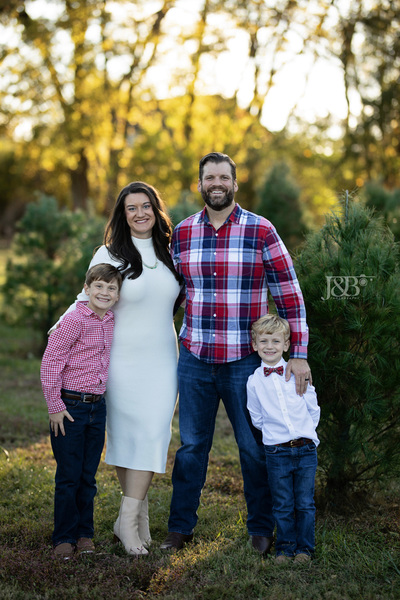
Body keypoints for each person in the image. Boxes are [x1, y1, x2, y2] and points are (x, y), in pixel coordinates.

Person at [160, 151, 312, 554]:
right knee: (191, 448)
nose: (216, 184)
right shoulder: (183, 233)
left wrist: (298, 353)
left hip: (245, 361)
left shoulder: (261, 230)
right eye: (209, 177)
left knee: (253, 447)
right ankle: (180, 528)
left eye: (223, 177)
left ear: (234, 183)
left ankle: (261, 528)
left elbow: (289, 295)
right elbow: (171, 294)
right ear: (199, 184)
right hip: (194, 356)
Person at [54, 181, 182, 556]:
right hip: (119, 360)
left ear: (156, 210)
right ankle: (134, 520)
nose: (140, 213)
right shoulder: (109, 253)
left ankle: (126, 519)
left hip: (163, 359)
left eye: (146, 206)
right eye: (131, 208)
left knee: (154, 432)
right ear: (122, 215)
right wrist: (60, 330)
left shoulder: (171, 251)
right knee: (126, 437)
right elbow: (87, 297)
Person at [41, 263, 122, 560]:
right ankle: (63, 537)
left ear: (117, 295)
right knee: (68, 476)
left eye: (111, 288)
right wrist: (55, 406)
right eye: (99, 286)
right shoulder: (74, 319)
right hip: (70, 408)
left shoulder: (110, 320)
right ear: (86, 288)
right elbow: (51, 362)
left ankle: (84, 534)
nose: (105, 292)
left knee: (88, 476)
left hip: (97, 408)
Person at [246, 314, 320, 564]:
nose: (270, 346)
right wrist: (276, 435)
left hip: (305, 449)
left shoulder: (299, 374)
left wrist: (304, 433)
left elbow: (313, 409)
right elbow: (257, 417)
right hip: (277, 452)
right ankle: (285, 549)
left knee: (305, 503)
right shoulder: (254, 382)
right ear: (254, 344)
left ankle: (305, 549)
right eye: (264, 341)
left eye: (276, 341)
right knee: (282, 503)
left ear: (286, 344)